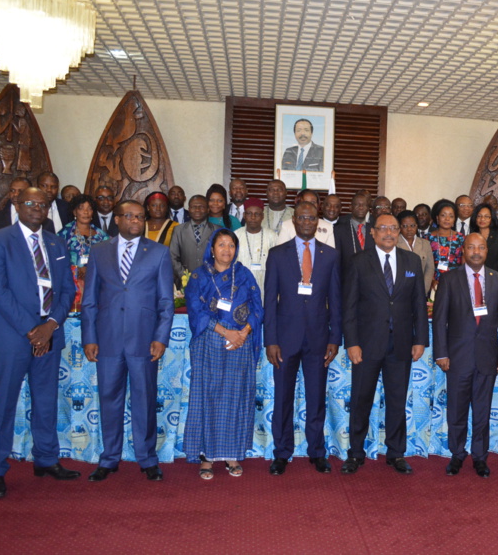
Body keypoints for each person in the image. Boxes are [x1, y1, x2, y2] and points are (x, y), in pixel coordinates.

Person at [0, 187, 79, 498]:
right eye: (31, 203)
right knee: (3, 404)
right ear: (17, 205)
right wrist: (32, 329)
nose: (37, 208)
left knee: (46, 401)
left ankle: (46, 459)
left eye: (43, 204)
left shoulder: (56, 242)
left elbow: (67, 290)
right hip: (12, 335)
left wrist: (50, 326)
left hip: (49, 333)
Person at [81, 199, 174, 483]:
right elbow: (89, 300)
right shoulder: (99, 251)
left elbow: (166, 301)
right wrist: (89, 337)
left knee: (144, 399)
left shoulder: (158, 252)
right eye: (130, 216)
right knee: (109, 398)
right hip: (107, 339)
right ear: (117, 219)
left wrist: (161, 338)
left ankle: (147, 458)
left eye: (140, 217)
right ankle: (109, 458)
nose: (136, 221)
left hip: (144, 340)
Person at [341, 213, 428, 475]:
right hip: (366, 345)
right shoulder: (358, 261)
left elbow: (419, 304)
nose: (389, 233)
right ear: (373, 232)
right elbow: (349, 306)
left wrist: (420, 340)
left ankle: (396, 453)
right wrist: (352, 342)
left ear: (399, 231)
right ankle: (356, 453)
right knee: (361, 399)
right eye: (383, 228)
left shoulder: (412, 260)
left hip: (401, 344)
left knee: (397, 400)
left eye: (393, 228)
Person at [264, 202, 342, 475]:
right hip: (284, 339)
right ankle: (281, 452)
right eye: (302, 218)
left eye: (311, 218)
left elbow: (336, 300)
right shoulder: (277, 254)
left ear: (317, 222)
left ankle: (317, 451)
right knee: (283, 397)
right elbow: (270, 301)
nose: (307, 222)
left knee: (316, 398)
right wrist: (270, 340)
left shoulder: (330, 255)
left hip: (319, 339)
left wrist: (335, 338)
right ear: (294, 221)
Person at [183, 228, 263, 480]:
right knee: (207, 397)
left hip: (240, 343)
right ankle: (206, 457)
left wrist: (244, 332)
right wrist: (226, 332)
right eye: (221, 245)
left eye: (231, 245)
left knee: (235, 397)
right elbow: (195, 310)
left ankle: (231, 454)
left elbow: (257, 307)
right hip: (209, 341)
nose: (227, 250)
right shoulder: (199, 276)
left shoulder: (244, 274)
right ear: (212, 249)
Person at [433, 233, 498, 478]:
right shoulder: (449, 279)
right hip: (457, 357)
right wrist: (441, 353)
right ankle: (457, 454)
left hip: (488, 356)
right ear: (463, 251)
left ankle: (480, 456)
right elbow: (439, 320)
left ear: (487, 251)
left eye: (481, 247)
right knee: (456, 411)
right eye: (471, 247)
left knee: (482, 411)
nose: (476, 252)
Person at [58, 194, 110, 306]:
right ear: (74, 212)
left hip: (96, 284)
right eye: (81, 208)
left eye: (89, 208)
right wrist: (77, 270)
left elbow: (109, 261)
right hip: (72, 286)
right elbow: (58, 261)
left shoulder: (102, 236)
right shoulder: (64, 234)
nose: (86, 212)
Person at [169, 195, 218, 288]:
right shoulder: (178, 230)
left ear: (208, 209)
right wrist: (185, 277)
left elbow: (220, 257)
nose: (197, 210)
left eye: (201, 207)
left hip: (211, 282)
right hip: (185, 284)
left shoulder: (217, 230)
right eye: (193, 207)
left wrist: (211, 275)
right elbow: (173, 257)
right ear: (189, 209)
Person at [235, 198, 277, 288]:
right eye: (249, 213)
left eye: (257, 214)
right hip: (241, 286)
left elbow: (278, 265)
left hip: (265, 286)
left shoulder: (272, 236)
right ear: (244, 215)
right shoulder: (236, 236)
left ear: (262, 216)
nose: (253, 217)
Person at [427, 199, 464, 289]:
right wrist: (431, 280)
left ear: (454, 219)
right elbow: (424, 263)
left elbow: (464, 263)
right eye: (443, 215)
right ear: (437, 218)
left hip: (456, 281)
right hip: (433, 282)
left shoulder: (461, 238)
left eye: (451, 216)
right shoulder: (427, 238)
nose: (447, 219)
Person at [334, 191, 374, 275]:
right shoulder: (339, 230)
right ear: (350, 207)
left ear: (368, 208)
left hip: (370, 278)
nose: (361, 207)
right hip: (347, 277)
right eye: (357, 205)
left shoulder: (374, 230)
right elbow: (336, 260)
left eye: (364, 205)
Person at [396, 210, 435, 293]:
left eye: (412, 225)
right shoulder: (394, 244)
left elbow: (430, 268)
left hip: (421, 289)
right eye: (405, 226)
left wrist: (423, 290)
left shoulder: (425, 243)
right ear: (399, 227)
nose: (409, 229)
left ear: (417, 226)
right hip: (400, 291)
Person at [469, 203, 498, 274]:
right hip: (475, 274)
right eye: (479, 216)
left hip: (495, 275)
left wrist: (484, 272)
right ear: (475, 218)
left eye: (486, 216)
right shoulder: (471, 236)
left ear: (491, 219)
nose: (482, 219)